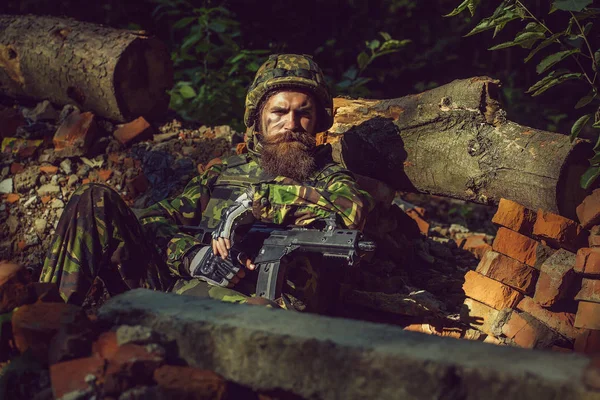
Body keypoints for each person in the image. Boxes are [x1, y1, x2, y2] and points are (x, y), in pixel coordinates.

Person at [39, 54, 374, 310]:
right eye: (278, 112)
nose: (291, 123)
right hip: (171, 295)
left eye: (304, 112)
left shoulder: (329, 179)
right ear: (258, 119)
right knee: (93, 198)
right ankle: (48, 322)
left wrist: (255, 203)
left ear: (317, 121)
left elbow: (348, 216)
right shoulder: (223, 174)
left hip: (255, 315)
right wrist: (191, 256)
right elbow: (154, 221)